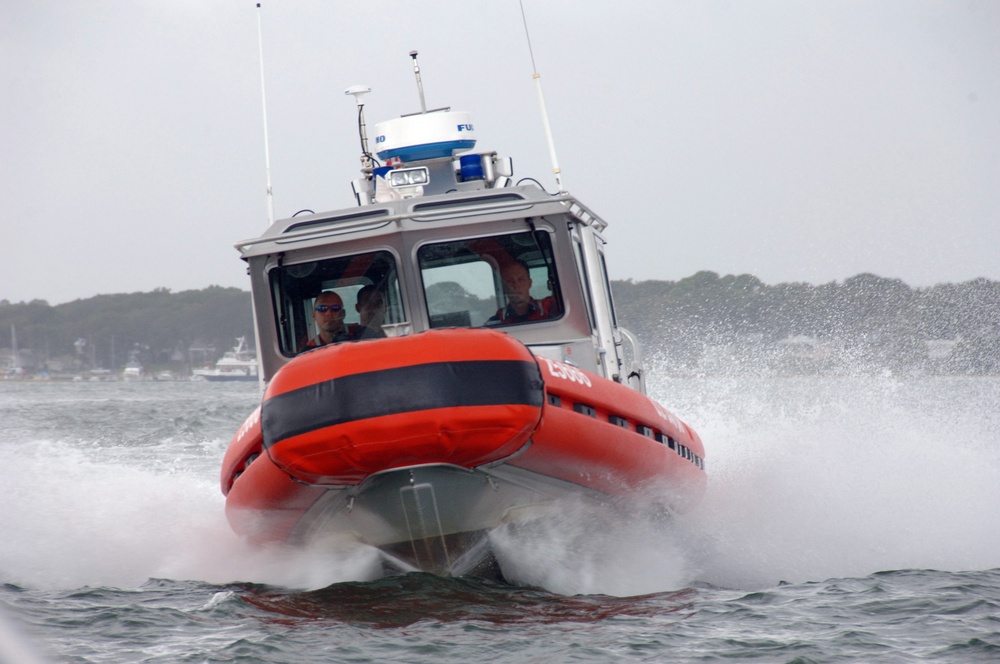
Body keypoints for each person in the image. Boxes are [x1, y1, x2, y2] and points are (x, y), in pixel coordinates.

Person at [486, 260, 553, 324]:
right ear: (504, 287)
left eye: (521, 280)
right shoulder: (496, 322)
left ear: (529, 283)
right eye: (510, 281)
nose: (516, 285)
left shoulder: (549, 310)